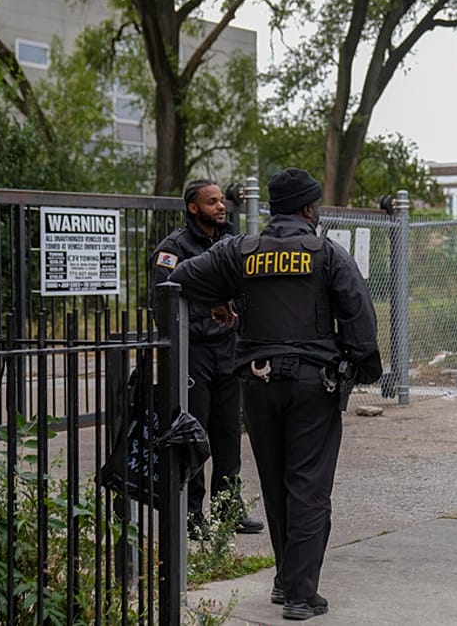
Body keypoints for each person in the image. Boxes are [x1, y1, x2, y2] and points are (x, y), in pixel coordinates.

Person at [168, 168, 382, 621]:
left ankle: (286, 581)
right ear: (308, 209)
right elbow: (359, 315)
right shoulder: (327, 253)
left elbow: (179, 280)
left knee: (275, 484)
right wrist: (364, 368)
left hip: (256, 385)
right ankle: (302, 595)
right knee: (308, 488)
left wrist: (220, 299)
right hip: (312, 385)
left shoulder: (240, 251)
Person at [150, 179, 264, 537]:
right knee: (193, 433)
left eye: (221, 201)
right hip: (194, 352)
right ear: (192, 207)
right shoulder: (174, 248)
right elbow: (163, 304)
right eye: (211, 201)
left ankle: (228, 508)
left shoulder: (228, 244)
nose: (220, 206)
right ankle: (192, 512)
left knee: (228, 433)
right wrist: (207, 311)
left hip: (227, 352)